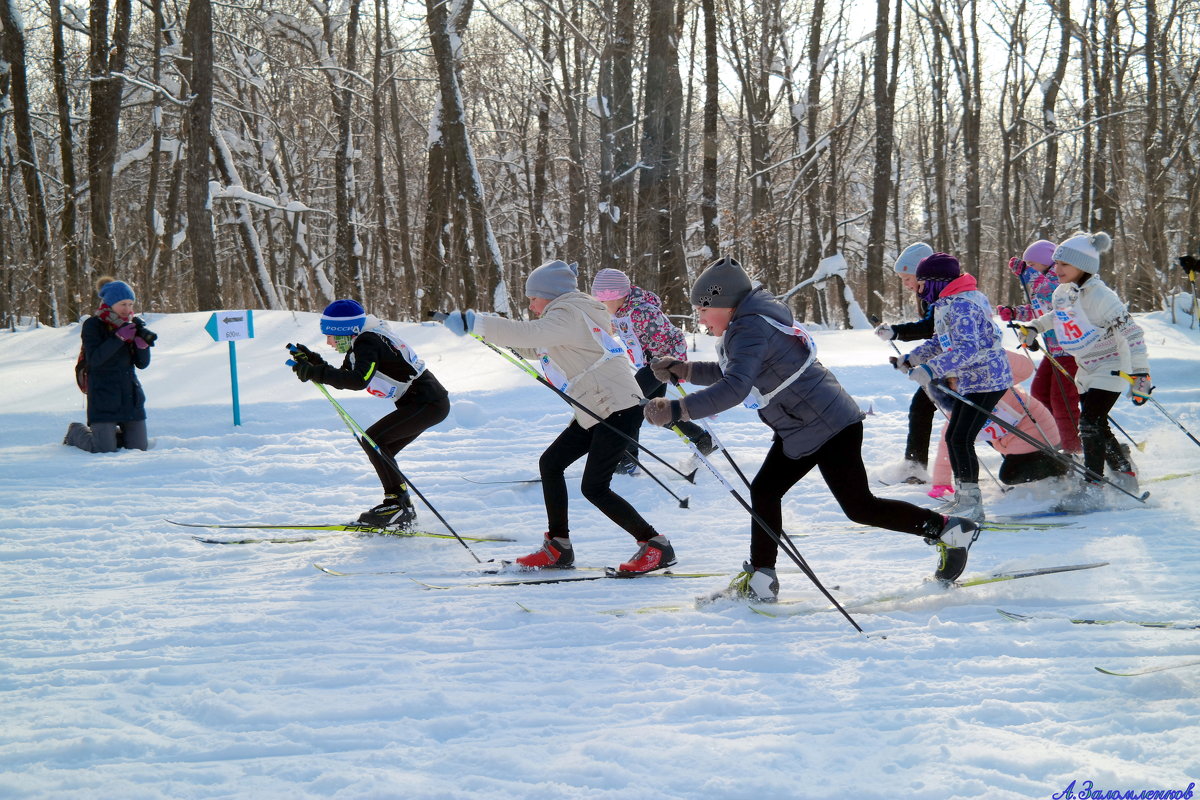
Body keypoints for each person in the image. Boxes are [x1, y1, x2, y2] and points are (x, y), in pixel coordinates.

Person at [643, 256, 980, 602]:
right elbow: (735, 372)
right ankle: (762, 577)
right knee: (780, 492)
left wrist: (677, 410)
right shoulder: (749, 324)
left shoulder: (750, 328)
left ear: (725, 304)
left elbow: (735, 388)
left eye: (703, 309)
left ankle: (947, 531)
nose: (699, 317)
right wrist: (684, 370)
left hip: (825, 425)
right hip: (810, 423)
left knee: (854, 505)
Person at [443, 259, 673, 574]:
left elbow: (531, 334)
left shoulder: (569, 313)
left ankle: (655, 544)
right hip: (597, 407)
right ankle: (558, 546)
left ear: (549, 295)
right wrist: (497, 334)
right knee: (551, 464)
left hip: (616, 406)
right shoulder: (570, 316)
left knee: (595, 487)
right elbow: (537, 346)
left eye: (532, 298)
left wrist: (477, 322)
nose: (530, 304)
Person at [1014, 232, 1150, 511]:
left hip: (1112, 366)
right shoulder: (1063, 291)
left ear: (1083, 266)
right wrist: (1034, 327)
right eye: (1056, 263)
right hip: (1087, 368)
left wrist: (1141, 374)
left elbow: (1133, 333)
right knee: (1097, 424)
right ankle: (1125, 474)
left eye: (1064, 265)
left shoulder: (1102, 296)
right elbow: (1058, 317)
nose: (1057, 269)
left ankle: (1093, 487)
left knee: (1089, 423)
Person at [290, 299, 450, 529]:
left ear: (346, 332)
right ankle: (398, 505)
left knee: (374, 441)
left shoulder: (367, 341)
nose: (328, 342)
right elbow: (346, 374)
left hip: (427, 402)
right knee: (380, 446)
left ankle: (398, 506)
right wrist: (316, 364)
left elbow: (357, 381)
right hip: (424, 402)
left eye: (331, 336)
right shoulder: (365, 340)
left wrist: (318, 372)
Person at [898, 253, 1013, 523]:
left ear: (937, 282)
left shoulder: (962, 304)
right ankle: (964, 499)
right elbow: (942, 342)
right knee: (955, 438)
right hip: (973, 379)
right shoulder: (947, 303)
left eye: (923, 283)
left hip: (988, 378)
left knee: (960, 439)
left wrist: (929, 370)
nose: (918, 288)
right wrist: (913, 358)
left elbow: (968, 349)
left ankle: (972, 505)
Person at [590, 267, 714, 473]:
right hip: (649, 366)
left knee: (628, 404)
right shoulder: (621, 312)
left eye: (602, 302)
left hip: (661, 364)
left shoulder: (642, 311)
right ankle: (702, 439)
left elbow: (672, 337)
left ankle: (629, 460)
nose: (601, 307)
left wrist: (666, 363)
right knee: (655, 410)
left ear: (617, 296)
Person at [926, 351, 1069, 490]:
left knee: (1009, 476)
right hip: (1015, 442)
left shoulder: (995, 385)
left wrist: (992, 352)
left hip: (1037, 431)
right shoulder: (959, 408)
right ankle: (1052, 463)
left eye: (964, 378)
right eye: (952, 382)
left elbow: (1025, 367)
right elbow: (947, 444)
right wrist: (941, 481)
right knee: (969, 433)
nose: (960, 384)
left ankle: (1060, 465)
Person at [997, 240, 1082, 453]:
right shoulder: (1041, 284)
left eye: (1033, 264)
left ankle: (1075, 449)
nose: (1030, 268)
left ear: (1046, 262)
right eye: (1028, 265)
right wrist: (1016, 312)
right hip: (1054, 352)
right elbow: (1041, 311)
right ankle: (1055, 441)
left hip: (1071, 352)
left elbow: (1052, 296)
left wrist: (1027, 273)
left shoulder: (1060, 282)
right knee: (1040, 395)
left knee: (1062, 400)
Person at [64, 278, 157, 452]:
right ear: (109, 304)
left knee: (139, 448)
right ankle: (75, 431)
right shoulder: (93, 325)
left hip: (130, 396)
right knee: (103, 450)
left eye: (130, 304)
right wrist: (119, 338)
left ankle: (111, 435)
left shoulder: (132, 325)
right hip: (103, 396)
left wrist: (142, 346)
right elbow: (95, 360)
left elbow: (142, 364)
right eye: (123, 304)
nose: (128, 309)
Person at [873, 242, 936, 484]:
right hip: (942, 363)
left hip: (958, 365)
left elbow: (930, 328)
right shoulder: (928, 296)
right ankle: (914, 468)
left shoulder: (939, 296)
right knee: (921, 410)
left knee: (966, 421)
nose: (905, 284)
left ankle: (915, 468)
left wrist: (897, 332)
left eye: (907, 278)